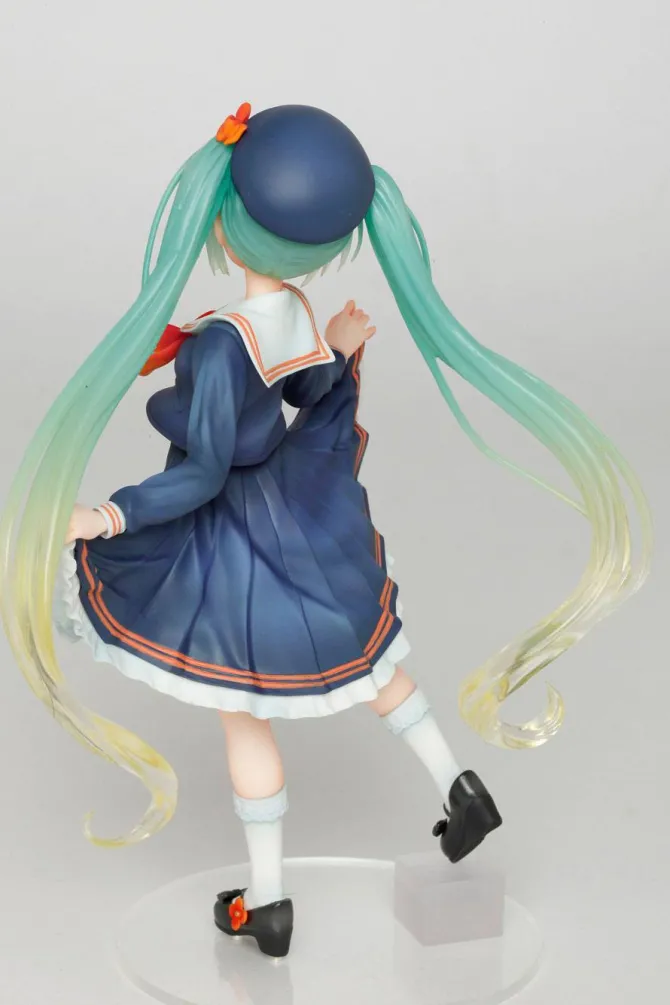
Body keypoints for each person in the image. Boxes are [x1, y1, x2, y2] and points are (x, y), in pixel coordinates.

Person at [0, 102, 650, 959]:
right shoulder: (295, 308)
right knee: (368, 657)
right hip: (299, 510)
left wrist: (110, 513)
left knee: (243, 709)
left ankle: (268, 903)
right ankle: (460, 785)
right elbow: (310, 393)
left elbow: (202, 472)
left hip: (235, 528)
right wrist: (339, 349)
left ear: (227, 229)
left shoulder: (223, 342)